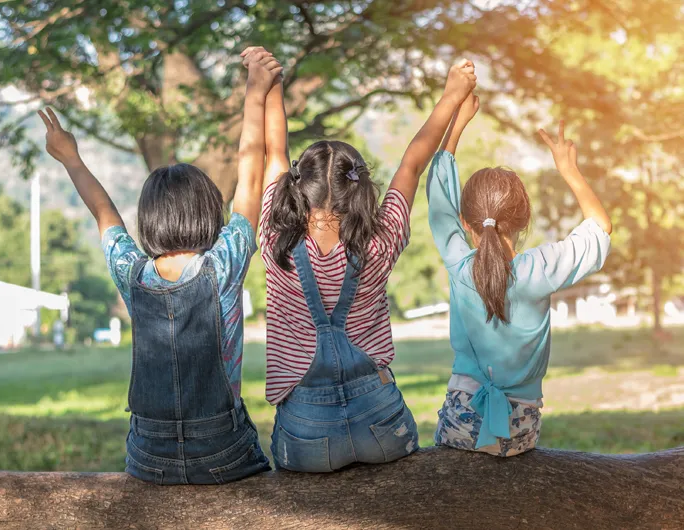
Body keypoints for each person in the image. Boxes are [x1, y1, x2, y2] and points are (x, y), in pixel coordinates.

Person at [37, 49, 283, 484]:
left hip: (149, 457)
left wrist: (70, 158)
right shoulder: (223, 265)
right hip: (221, 451)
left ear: (149, 220)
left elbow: (103, 212)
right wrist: (255, 89)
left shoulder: (133, 276)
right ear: (209, 213)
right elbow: (250, 172)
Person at [246, 46, 477, 472]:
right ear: (360, 188)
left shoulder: (275, 237)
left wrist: (270, 84)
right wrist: (452, 94)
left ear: (298, 188)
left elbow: (273, 151)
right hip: (382, 425)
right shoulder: (380, 240)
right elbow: (412, 164)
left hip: (305, 435)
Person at [427, 93, 612, 457]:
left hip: (462, 421)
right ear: (523, 221)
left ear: (466, 224)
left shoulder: (459, 265)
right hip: (521, 430)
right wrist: (569, 171)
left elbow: (438, 202)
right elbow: (600, 229)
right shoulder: (540, 269)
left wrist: (457, 125)